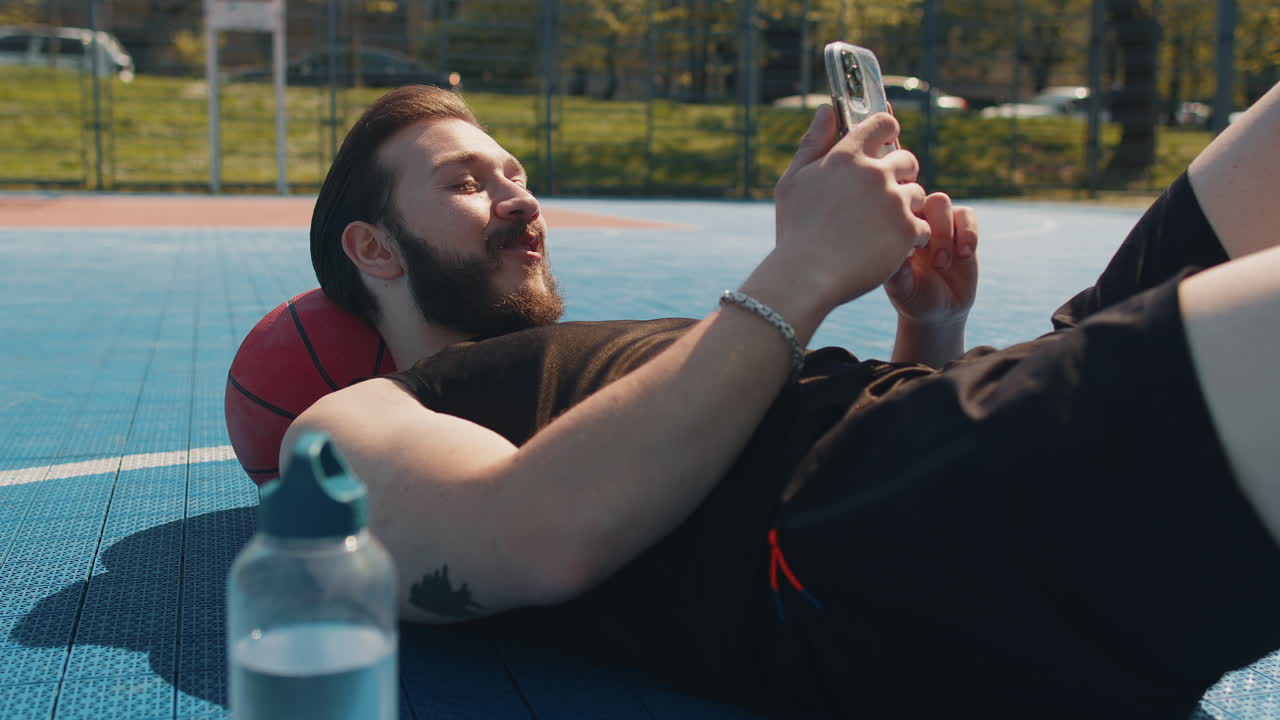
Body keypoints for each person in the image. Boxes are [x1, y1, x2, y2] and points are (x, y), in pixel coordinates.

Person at [286, 82, 1280, 718]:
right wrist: (800, 267)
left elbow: (835, 436)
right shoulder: (347, 428)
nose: (520, 197)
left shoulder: (613, 362)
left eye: (514, 172)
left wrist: (925, 328)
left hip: (940, 453)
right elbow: (531, 537)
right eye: (466, 183)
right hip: (879, 543)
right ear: (372, 249)